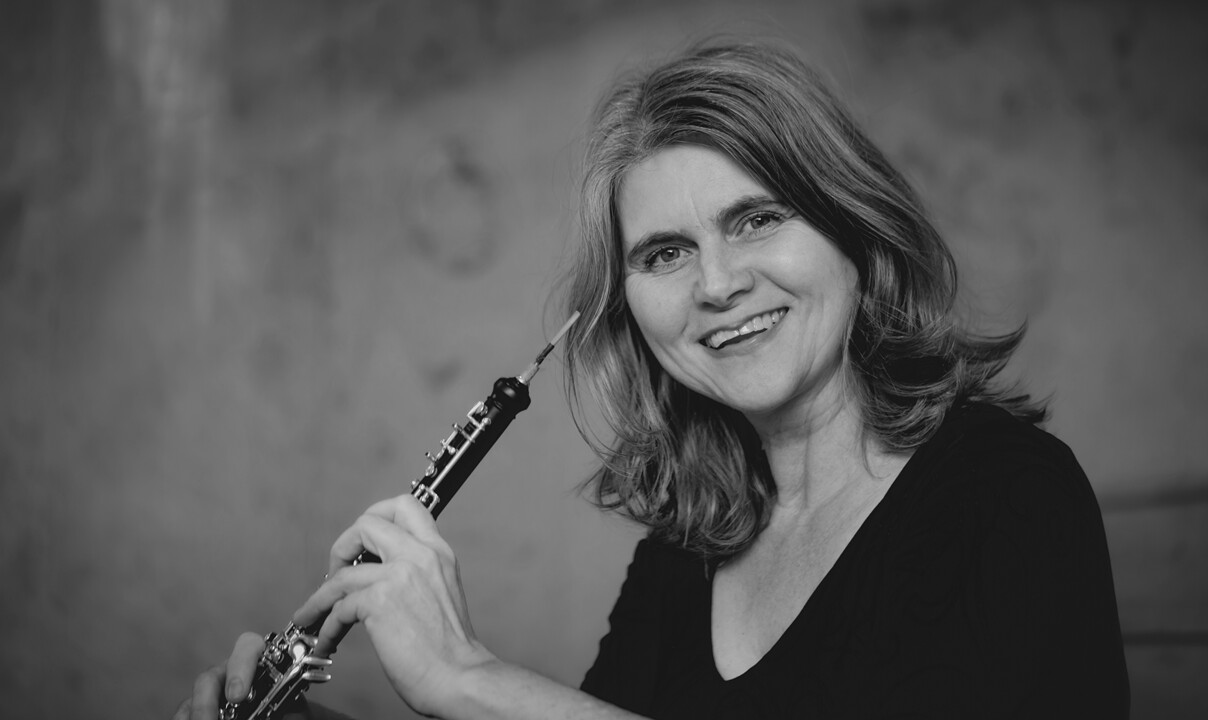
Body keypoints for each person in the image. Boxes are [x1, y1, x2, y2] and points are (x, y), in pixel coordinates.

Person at [177, 40, 1129, 720]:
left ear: (856, 231)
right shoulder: (690, 549)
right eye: (666, 252)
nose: (716, 285)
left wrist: (469, 678)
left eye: (757, 219)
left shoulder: (1009, 494)